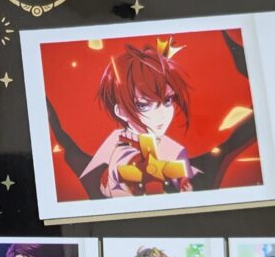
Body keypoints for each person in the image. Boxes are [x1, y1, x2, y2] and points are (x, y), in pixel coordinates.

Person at [80, 38, 195, 197]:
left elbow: (179, 174)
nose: (162, 114)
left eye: (167, 101)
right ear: (120, 111)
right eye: (144, 105)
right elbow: (130, 174)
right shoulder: (122, 152)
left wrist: (183, 184)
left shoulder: (172, 148)